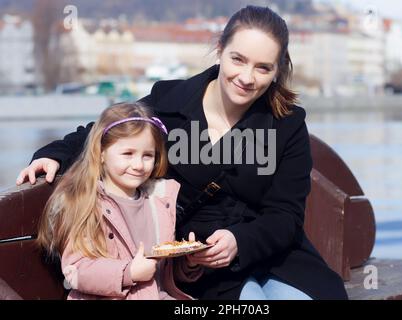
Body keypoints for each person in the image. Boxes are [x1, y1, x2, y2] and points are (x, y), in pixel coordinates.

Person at [18, 6, 348, 300]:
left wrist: (239, 241)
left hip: (274, 257)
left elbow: (286, 216)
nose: (247, 78)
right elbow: (109, 131)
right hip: (197, 265)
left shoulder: (286, 124)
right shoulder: (171, 100)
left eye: (263, 68)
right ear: (220, 50)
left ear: (278, 70)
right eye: (238, 60)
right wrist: (54, 154)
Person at [36, 103, 201, 300]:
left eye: (147, 155)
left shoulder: (159, 202)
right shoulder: (88, 203)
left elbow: (159, 274)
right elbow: (76, 271)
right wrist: (128, 272)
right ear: (102, 153)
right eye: (128, 154)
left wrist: (188, 264)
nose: (138, 165)